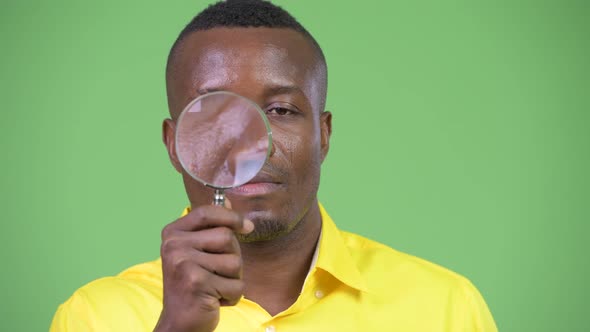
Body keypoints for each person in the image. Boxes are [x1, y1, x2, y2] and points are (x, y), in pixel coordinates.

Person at [50, 1, 498, 331]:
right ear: (174, 145)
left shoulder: (447, 308)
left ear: (323, 134)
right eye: (213, 112)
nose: (251, 146)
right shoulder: (93, 316)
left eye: (281, 111)